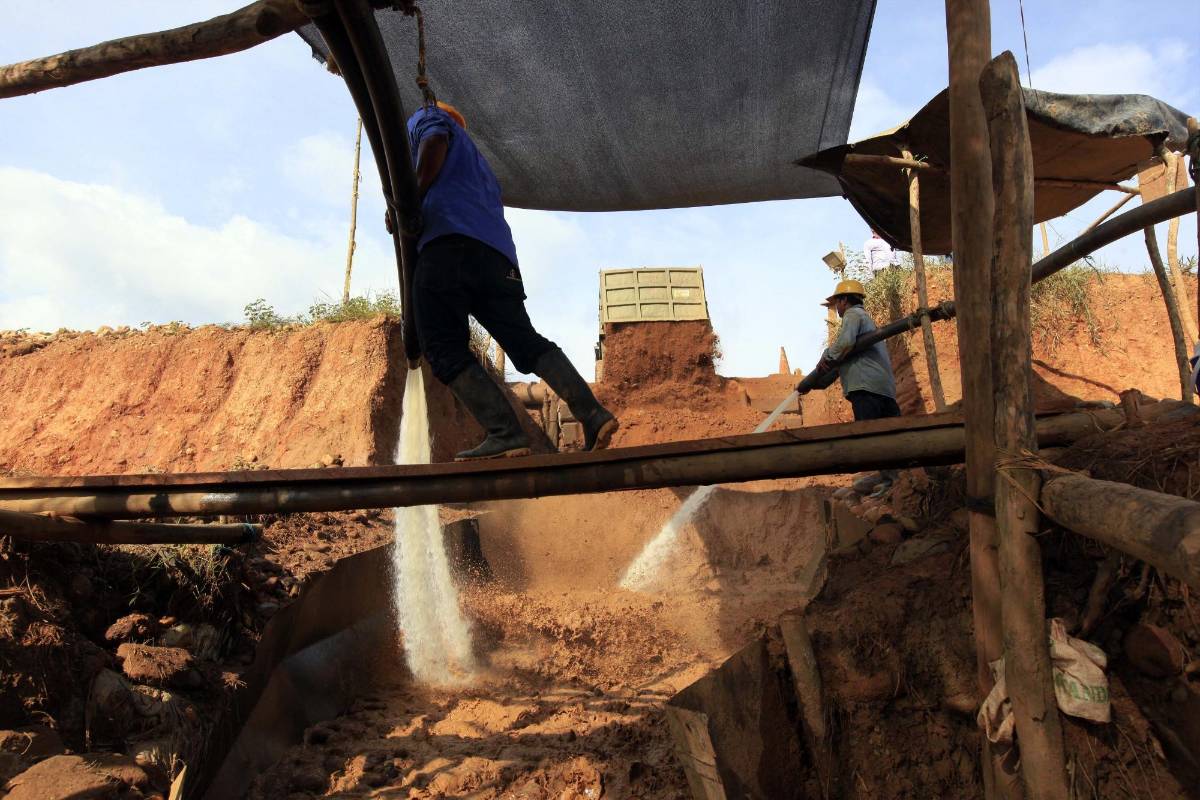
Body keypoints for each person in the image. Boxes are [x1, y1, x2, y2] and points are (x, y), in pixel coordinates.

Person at [392, 100, 618, 460]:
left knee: (444, 348)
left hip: (449, 248)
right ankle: (593, 414)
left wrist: (408, 205)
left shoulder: (428, 116)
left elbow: (432, 141)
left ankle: (505, 431)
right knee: (525, 342)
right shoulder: (479, 166)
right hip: (498, 259)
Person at [795, 279, 900, 496]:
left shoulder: (853, 315)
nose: (837, 308)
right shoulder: (864, 323)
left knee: (870, 435)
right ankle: (894, 478)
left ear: (844, 300)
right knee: (890, 434)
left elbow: (843, 345)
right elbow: (834, 369)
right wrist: (811, 383)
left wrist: (827, 356)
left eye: (836, 303)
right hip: (883, 388)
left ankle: (891, 482)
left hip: (864, 387)